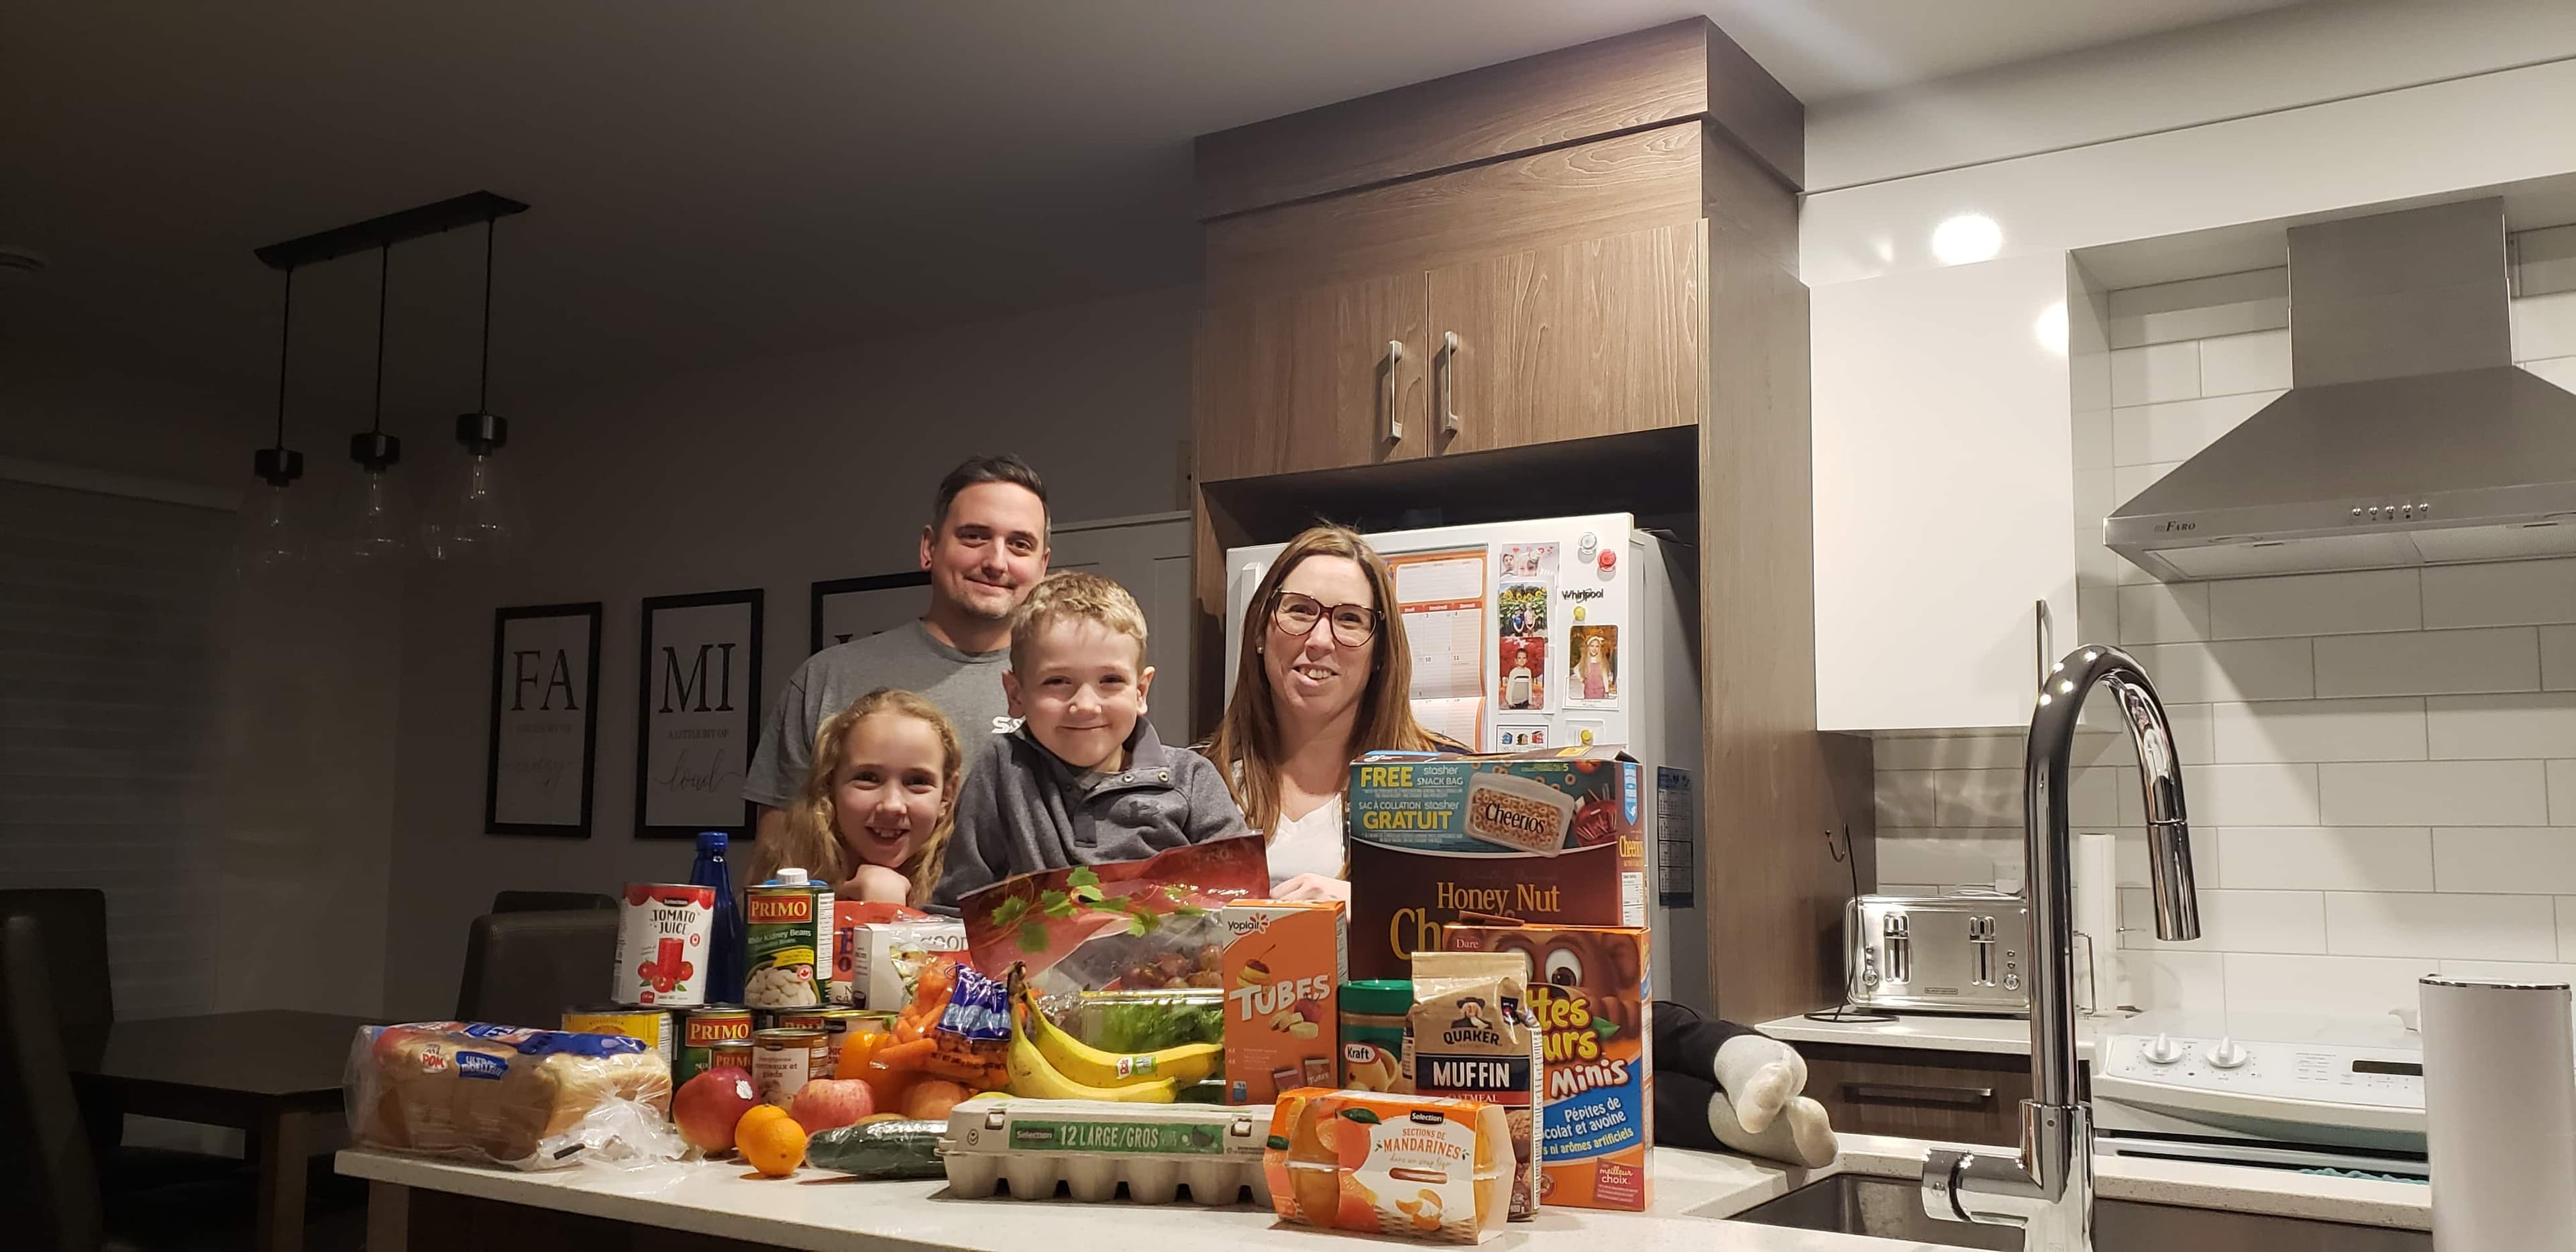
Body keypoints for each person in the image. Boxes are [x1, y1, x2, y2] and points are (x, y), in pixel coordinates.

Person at [743, 455, 1049, 856]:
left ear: (1042, 566)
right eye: (974, 536)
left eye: (1019, 544)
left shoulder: (1068, 696)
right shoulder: (827, 678)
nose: (996, 561)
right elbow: (778, 862)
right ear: (929, 548)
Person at [933, 571, 1247, 905]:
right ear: (1016, 694)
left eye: (1110, 680)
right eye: (1057, 682)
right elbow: (959, 908)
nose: (1085, 706)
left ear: (1140, 692)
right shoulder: (1001, 769)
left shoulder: (1193, 779)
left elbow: (1240, 900)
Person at [1199, 525, 1448, 902]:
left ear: (1379, 653)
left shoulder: (1443, 784)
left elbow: (1489, 937)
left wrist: (1368, 909)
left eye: (1349, 619)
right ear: (1260, 632)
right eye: (1300, 611)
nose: (1319, 641)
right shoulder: (1197, 784)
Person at [745, 689, 963, 908]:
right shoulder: (784, 887)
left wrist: (887, 911)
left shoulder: (973, 896)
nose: (892, 805)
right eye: (868, 778)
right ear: (829, 784)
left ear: (947, 795)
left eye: (917, 781)